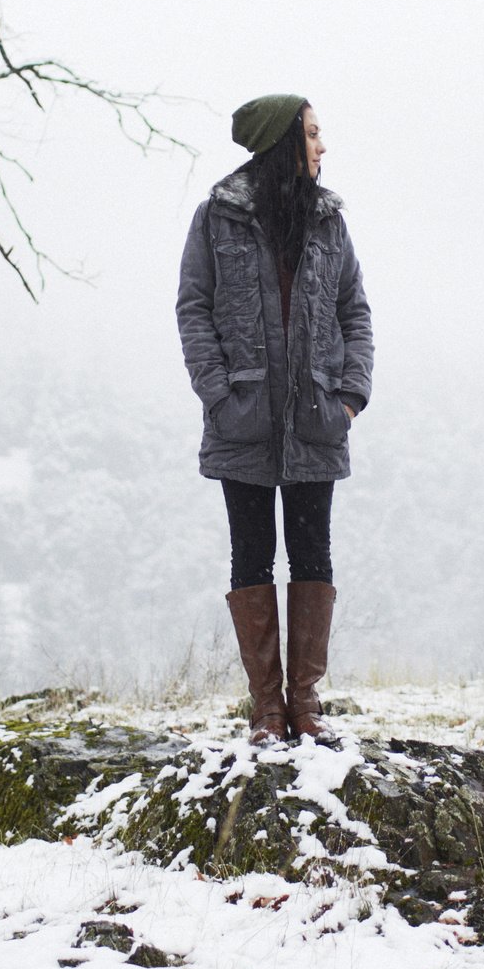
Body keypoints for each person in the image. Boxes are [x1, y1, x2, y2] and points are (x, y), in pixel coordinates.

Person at [175, 95, 374, 744]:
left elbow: (355, 312)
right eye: (313, 134)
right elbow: (194, 309)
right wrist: (217, 394)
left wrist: (349, 396)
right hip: (244, 422)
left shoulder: (330, 223)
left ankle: (305, 704)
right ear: (281, 142)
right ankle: (266, 709)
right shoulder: (216, 218)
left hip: (317, 417)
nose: (322, 146)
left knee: (313, 553)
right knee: (252, 555)